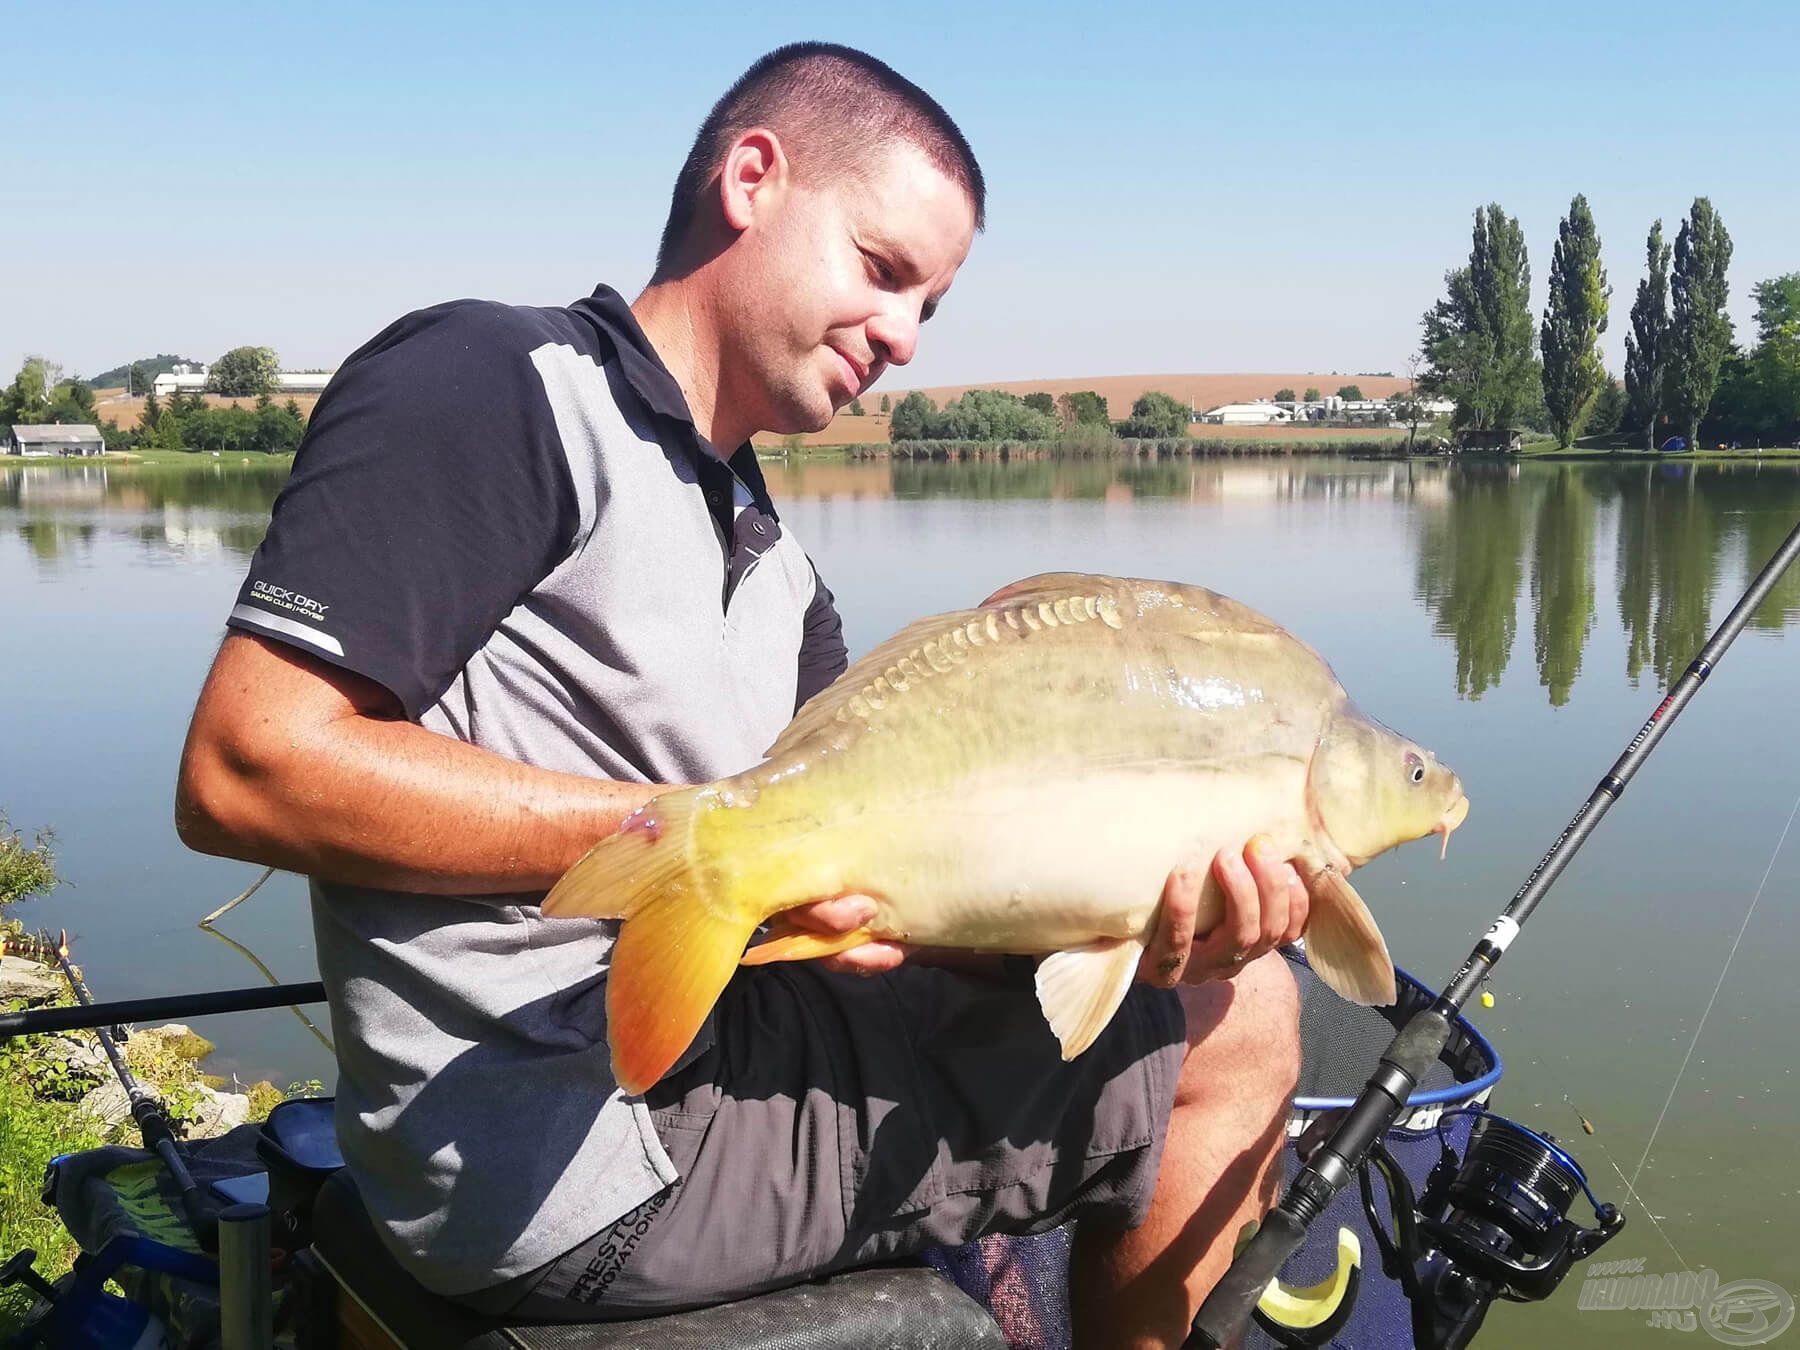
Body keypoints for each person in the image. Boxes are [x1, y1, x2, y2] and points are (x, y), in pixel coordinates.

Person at [174, 42, 1305, 1349]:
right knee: (1242, 1026)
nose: (902, 335)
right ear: (753, 179)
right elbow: (246, 765)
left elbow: (860, 904)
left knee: (1225, 976)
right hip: (571, 1144)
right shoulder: (497, 386)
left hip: (711, 1040)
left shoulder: (776, 562)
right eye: (885, 272)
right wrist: (686, 838)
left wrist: (1124, 923)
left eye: (929, 306)